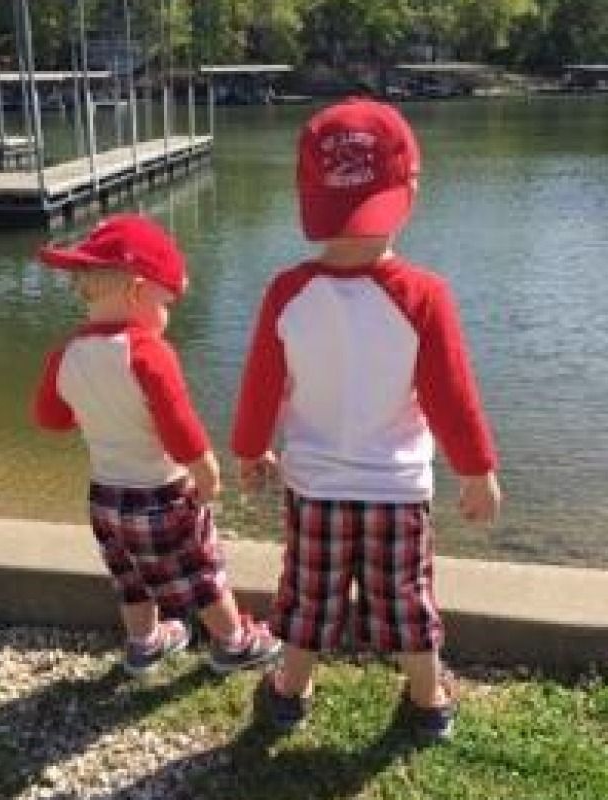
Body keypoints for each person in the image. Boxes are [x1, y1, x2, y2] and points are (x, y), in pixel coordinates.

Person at [231, 98, 501, 739]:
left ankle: (289, 691)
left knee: (309, 595)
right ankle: (429, 700)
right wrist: (476, 470)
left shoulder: (287, 291)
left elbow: (261, 388)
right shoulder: (423, 295)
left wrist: (249, 450)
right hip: (398, 491)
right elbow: (450, 396)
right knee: (406, 598)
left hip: (317, 488)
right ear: (410, 189)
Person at [32, 213, 281, 678]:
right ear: (138, 291)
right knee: (202, 576)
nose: (167, 316)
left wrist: (95, 406)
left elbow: (51, 419)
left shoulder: (64, 355)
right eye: (166, 303)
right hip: (161, 494)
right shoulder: (148, 352)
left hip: (105, 497)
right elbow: (179, 427)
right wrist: (207, 472)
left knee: (129, 579)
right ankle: (233, 643)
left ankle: (144, 644)